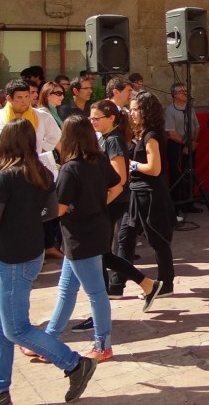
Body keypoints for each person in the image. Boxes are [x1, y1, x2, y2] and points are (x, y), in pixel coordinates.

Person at [0, 119, 98, 405]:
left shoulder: (6, 177)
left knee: (15, 328)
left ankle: (74, 364)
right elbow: (51, 211)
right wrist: (27, 218)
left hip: (12, 257)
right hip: (28, 253)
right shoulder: (41, 171)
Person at [40, 115, 122, 363]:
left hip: (79, 237)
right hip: (95, 230)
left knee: (96, 292)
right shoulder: (99, 160)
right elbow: (117, 185)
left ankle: (103, 345)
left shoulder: (70, 168)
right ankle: (49, 340)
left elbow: (60, 209)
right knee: (66, 289)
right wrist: (98, 204)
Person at [88, 100, 161, 314]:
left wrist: (101, 204)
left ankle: (102, 307)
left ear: (110, 118)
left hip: (113, 202)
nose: (93, 122)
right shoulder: (105, 139)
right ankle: (146, 284)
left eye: (96, 118)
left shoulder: (113, 141)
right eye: (91, 118)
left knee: (100, 253)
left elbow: (119, 179)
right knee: (101, 253)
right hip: (110, 201)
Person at [117, 92, 175, 296]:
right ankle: (117, 285)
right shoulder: (143, 134)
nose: (131, 113)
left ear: (146, 111)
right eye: (131, 109)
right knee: (125, 237)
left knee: (158, 240)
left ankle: (166, 284)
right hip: (136, 192)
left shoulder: (152, 136)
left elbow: (155, 168)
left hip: (150, 195)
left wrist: (132, 164)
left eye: (135, 109)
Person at [164, 82, 198, 208]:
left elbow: (197, 127)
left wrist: (193, 143)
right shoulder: (170, 110)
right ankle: (176, 205)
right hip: (176, 147)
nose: (185, 93)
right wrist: (185, 144)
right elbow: (171, 133)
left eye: (186, 90)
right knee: (176, 175)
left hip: (189, 146)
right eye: (181, 91)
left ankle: (189, 202)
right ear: (174, 94)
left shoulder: (190, 108)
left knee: (190, 174)